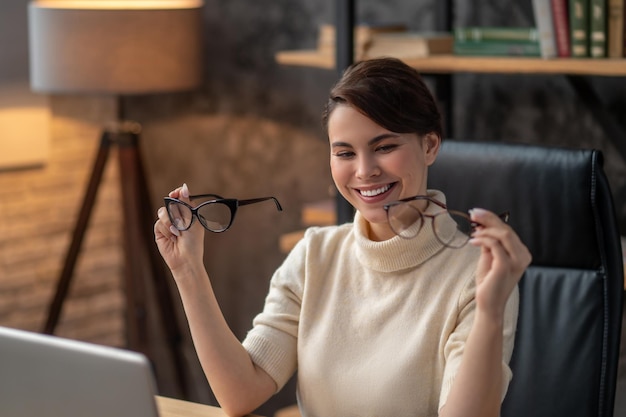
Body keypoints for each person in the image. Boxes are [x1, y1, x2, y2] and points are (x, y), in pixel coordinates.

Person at [154, 57, 532, 417]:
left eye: (385, 147)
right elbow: (240, 392)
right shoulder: (314, 255)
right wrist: (188, 272)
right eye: (345, 153)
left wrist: (489, 311)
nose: (365, 171)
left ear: (429, 145)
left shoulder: (475, 277)